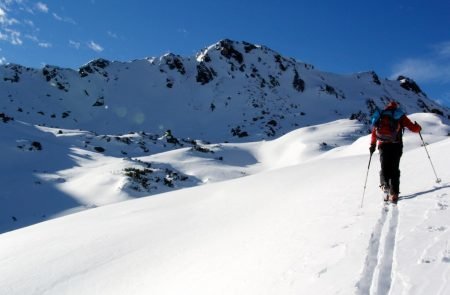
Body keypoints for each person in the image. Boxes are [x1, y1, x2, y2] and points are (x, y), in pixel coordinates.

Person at [369, 101, 422, 203]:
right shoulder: (399, 115)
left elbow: (374, 132)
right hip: (396, 145)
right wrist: (418, 127)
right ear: (396, 107)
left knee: (384, 167)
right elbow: (413, 128)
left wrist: (372, 145)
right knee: (394, 168)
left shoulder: (381, 115)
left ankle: (385, 185)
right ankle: (394, 194)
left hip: (383, 145)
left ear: (387, 107)